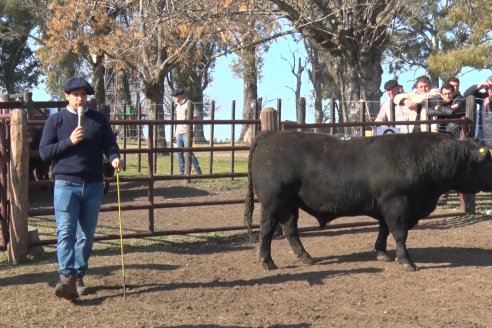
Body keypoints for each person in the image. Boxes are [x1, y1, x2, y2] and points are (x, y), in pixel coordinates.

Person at [39, 77, 123, 301]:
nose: (80, 98)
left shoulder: (98, 120)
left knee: (86, 235)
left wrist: (115, 158)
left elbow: (110, 145)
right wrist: (69, 141)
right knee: (66, 232)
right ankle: (66, 277)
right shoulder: (56, 121)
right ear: (67, 95)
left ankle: (78, 276)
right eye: (75, 94)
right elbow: (44, 152)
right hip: (65, 184)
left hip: (94, 184)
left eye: (83, 94)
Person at [172, 88, 202, 175]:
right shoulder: (177, 106)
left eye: (176, 96)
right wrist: (175, 133)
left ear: (180, 96)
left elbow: (197, 117)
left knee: (189, 153)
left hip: (186, 132)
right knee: (179, 154)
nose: (174, 98)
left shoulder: (189, 104)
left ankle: (198, 172)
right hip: (179, 132)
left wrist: (193, 130)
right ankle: (182, 173)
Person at [463, 76, 492, 146]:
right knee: (481, 153)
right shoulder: (483, 97)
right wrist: (478, 86)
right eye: (488, 87)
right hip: (482, 130)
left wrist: (490, 98)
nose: (490, 89)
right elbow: (466, 94)